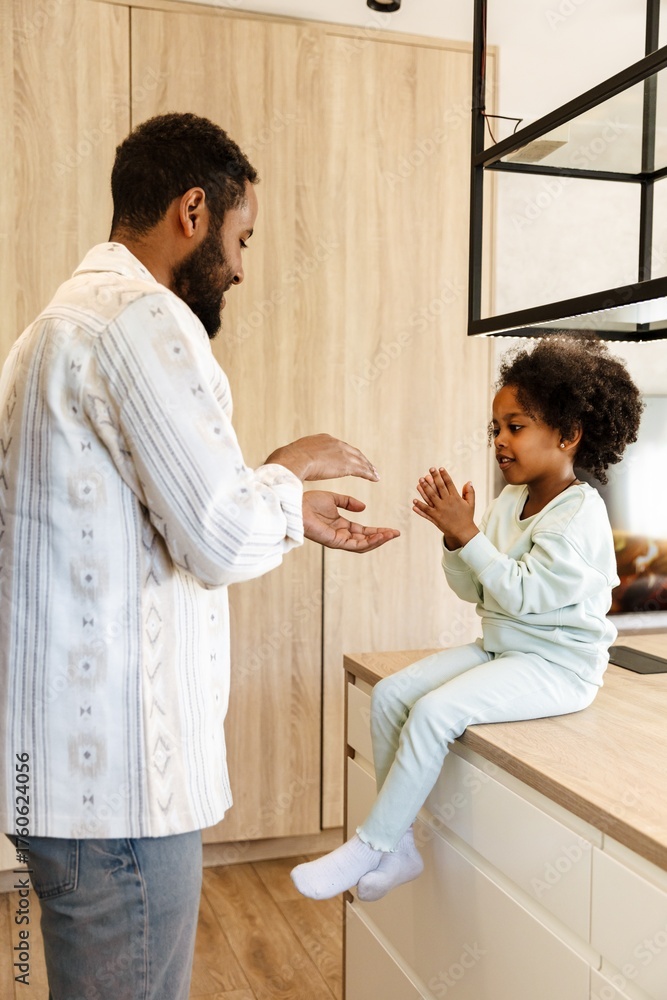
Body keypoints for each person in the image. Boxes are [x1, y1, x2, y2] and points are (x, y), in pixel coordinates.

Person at [0, 112, 399, 1000]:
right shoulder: (140, 317)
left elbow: (152, 512)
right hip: (121, 790)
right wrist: (289, 471)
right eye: (241, 236)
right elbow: (216, 535)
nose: (244, 267)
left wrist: (286, 507)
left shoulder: (52, 328)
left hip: (54, 777)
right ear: (192, 210)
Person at [291, 334, 643, 903]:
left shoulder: (579, 516)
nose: (500, 440)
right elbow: (473, 590)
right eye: (495, 428)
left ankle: (370, 843)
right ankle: (397, 842)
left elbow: (524, 595)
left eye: (516, 426)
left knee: (432, 713)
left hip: (559, 667)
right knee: (390, 696)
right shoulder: (511, 501)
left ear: (568, 435)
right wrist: (458, 540)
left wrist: (468, 533)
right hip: (504, 648)